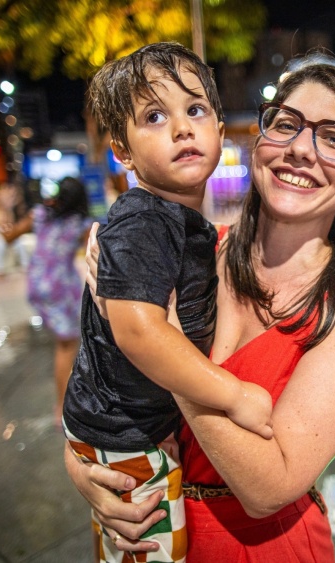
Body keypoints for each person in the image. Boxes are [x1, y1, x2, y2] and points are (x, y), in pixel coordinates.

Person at [65, 55, 335, 561]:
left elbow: (269, 487)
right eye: (287, 125)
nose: (302, 148)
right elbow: (104, 375)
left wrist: (162, 344)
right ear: (260, 145)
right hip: (152, 527)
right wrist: (85, 464)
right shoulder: (197, 250)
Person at [60, 42, 274, 563]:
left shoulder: (185, 225)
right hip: (127, 433)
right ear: (123, 151)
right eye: (154, 116)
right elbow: (137, 331)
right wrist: (234, 394)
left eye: (195, 110)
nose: (181, 128)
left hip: (140, 426)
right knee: (151, 550)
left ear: (221, 133)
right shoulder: (144, 221)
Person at [4, 177, 92, 426]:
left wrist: (6, 216)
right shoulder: (80, 223)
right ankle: (62, 408)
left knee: (66, 341)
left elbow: (9, 237)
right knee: (66, 346)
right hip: (59, 285)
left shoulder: (40, 214)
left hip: (37, 282)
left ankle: (66, 400)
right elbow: (94, 255)